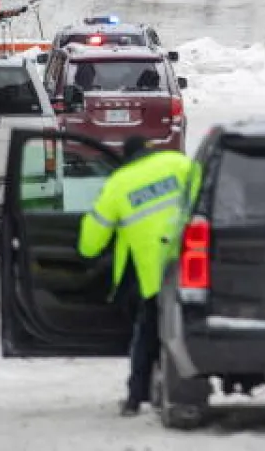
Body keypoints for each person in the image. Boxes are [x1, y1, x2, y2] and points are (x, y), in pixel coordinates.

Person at [79, 136, 195, 416]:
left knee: (146, 335)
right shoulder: (180, 164)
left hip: (154, 278)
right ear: (149, 149)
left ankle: (136, 398)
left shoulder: (120, 183)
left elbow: (89, 244)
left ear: (125, 156)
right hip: (196, 269)